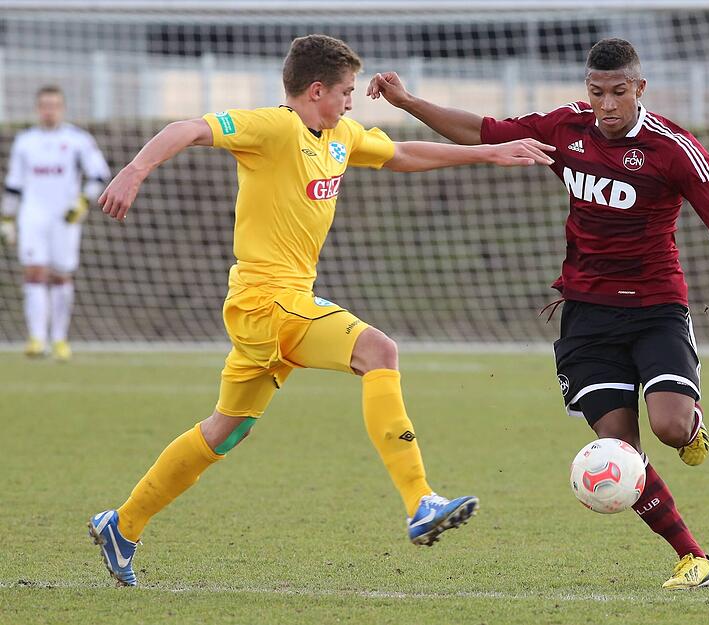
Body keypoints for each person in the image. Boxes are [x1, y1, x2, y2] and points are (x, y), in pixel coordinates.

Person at [88, 34, 555, 587]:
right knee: (379, 351)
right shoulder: (273, 128)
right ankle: (420, 501)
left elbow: (402, 154)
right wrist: (135, 169)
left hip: (282, 305)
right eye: (346, 92)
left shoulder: (340, 135)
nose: (352, 102)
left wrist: (487, 152)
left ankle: (123, 524)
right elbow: (187, 128)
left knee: (225, 430)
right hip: (267, 301)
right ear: (316, 90)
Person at [367, 37, 709, 590]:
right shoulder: (566, 127)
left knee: (670, 427)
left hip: (656, 308)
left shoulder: (673, 149)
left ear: (640, 88)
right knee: (619, 451)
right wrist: (407, 102)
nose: (606, 104)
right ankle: (693, 558)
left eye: (618, 92)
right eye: (596, 92)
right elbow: (484, 130)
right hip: (587, 315)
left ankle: (692, 428)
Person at [1, 85, 110, 361]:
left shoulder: (78, 140)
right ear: (37, 109)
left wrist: (82, 202)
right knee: (34, 272)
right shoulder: (25, 142)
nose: (49, 111)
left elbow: (99, 174)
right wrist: (7, 218)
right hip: (32, 216)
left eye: (54, 105)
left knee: (61, 275)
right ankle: (37, 338)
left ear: (62, 108)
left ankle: (60, 339)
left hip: (64, 218)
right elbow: (14, 184)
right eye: (44, 106)